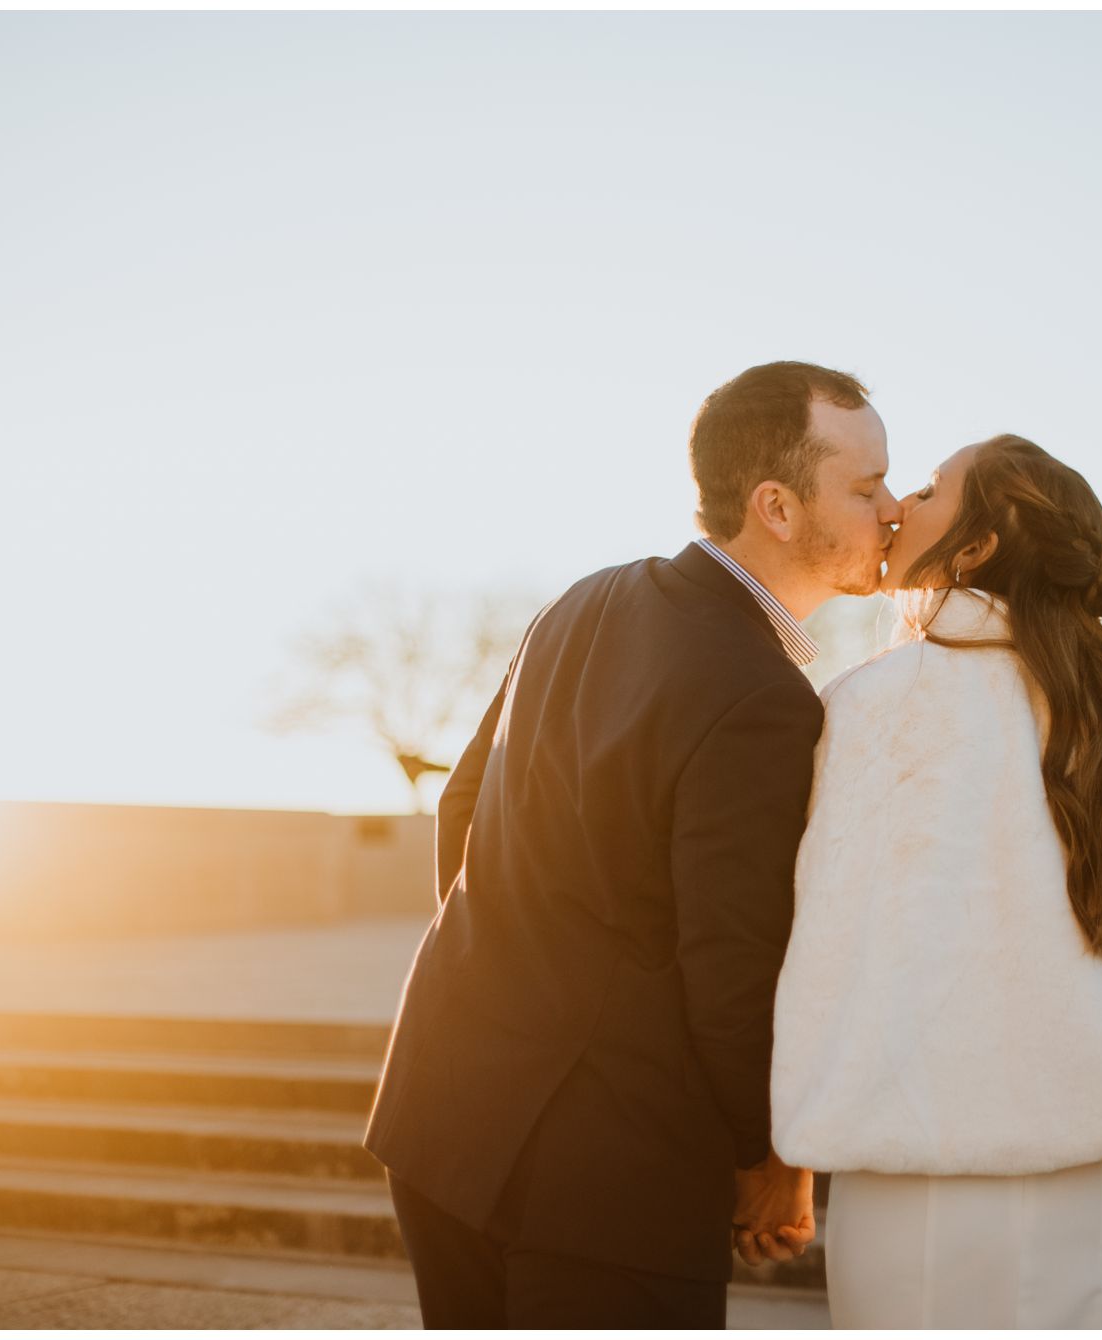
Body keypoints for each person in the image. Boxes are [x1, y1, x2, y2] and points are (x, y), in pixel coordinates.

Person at [362, 361, 902, 1328]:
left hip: (442, 1114)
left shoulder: (581, 599)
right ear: (776, 507)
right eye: (866, 488)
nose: (893, 509)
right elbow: (732, 967)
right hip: (605, 1178)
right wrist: (771, 1161)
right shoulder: (761, 697)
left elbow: (463, 811)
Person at [770, 433, 1102, 1329]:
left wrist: (779, 1151)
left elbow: (820, 944)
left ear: (973, 550)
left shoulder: (872, 705)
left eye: (929, 490)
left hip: (916, 1174)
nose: (900, 506)